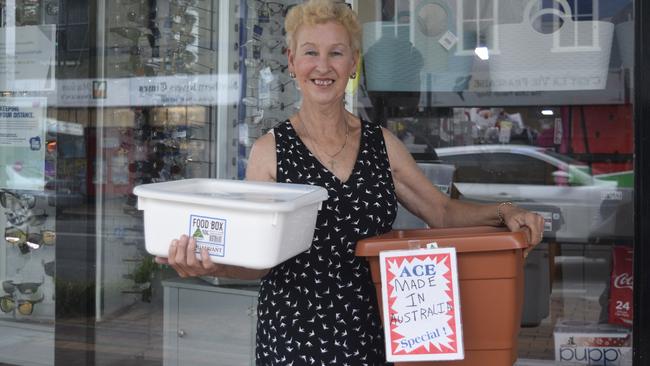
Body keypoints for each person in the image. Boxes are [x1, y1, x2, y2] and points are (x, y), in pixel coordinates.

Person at [155, 0, 545, 364]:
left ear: (353, 62)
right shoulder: (269, 152)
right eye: (310, 52)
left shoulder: (382, 145)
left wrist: (504, 212)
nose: (322, 66)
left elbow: (441, 211)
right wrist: (212, 267)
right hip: (294, 339)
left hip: (375, 335)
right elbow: (258, 261)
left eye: (336, 53)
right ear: (292, 62)